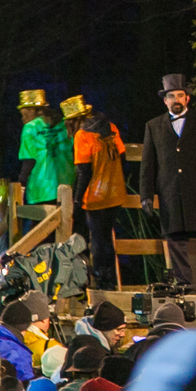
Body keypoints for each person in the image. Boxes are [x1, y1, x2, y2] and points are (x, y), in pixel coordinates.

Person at [139, 74, 196, 286]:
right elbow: (148, 165)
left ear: (187, 98)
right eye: (171, 96)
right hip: (171, 196)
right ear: (165, 100)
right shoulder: (154, 126)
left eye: (180, 95)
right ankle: (183, 289)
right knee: (176, 247)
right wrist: (146, 195)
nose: (176, 100)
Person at [67, 96, 129, 290]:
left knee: (97, 240)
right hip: (115, 193)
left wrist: (77, 200)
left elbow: (84, 172)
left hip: (95, 196)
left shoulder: (82, 135)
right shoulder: (111, 127)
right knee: (108, 239)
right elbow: (123, 157)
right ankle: (110, 280)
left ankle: (101, 281)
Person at [15, 89, 75, 214]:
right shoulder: (63, 124)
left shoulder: (30, 128)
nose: (22, 118)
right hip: (68, 186)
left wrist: (20, 188)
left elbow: (29, 161)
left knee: (40, 229)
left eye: (23, 113)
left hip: (42, 189)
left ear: (31, 110)